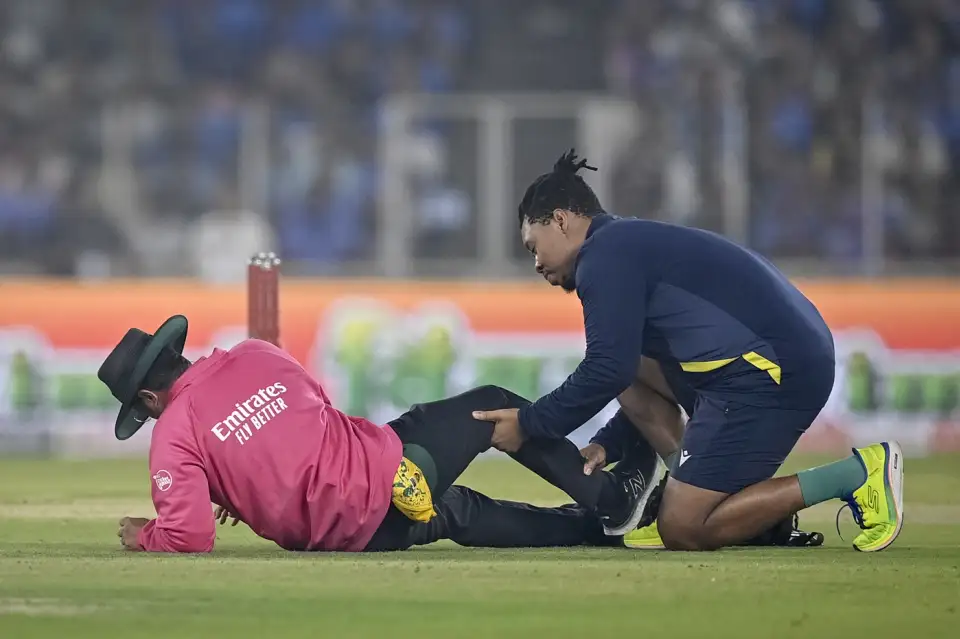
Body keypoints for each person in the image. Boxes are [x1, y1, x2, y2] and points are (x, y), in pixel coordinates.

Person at [471, 150, 904, 553]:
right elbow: (626, 371)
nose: (536, 263)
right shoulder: (622, 244)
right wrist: (608, 444)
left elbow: (606, 368)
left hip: (772, 370)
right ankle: (727, 504)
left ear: (561, 220)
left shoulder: (603, 258)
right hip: (775, 360)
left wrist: (528, 424)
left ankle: (858, 474)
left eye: (533, 246)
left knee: (683, 527)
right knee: (629, 363)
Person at [97, 315, 657, 554]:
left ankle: (596, 528)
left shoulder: (174, 434)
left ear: (147, 399)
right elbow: (314, 410)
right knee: (493, 406)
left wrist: (147, 535)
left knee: (458, 511)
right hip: (379, 472)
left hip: (352, 535)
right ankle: (612, 499)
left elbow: (189, 535)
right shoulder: (254, 353)